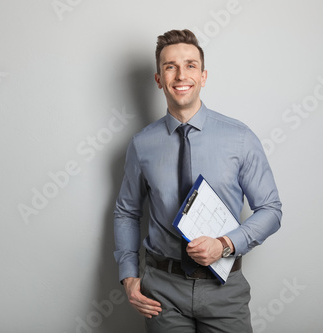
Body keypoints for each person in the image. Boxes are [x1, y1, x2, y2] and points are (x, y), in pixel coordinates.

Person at [113, 29, 282, 332]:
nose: (181, 75)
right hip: (162, 291)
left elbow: (271, 209)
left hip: (224, 289)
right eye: (170, 66)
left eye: (190, 65)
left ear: (203, 76)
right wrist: (128, 276)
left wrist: (226, 243)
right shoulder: (141, 145)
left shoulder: (240, 138)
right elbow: (127, 211)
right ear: (158, 79)